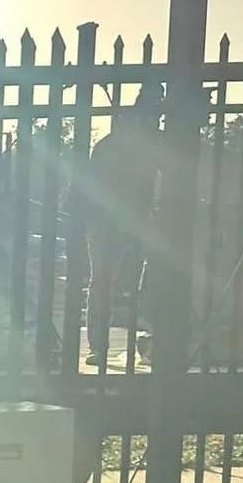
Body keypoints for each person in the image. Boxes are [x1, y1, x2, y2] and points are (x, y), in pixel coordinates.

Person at [83, 82, 166, 366]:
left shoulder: (150, 139)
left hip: (136, 218)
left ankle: (149, 341)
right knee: (105, 282)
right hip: (109, 219)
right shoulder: (121, 141)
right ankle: (100, 345)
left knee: (141, 280)